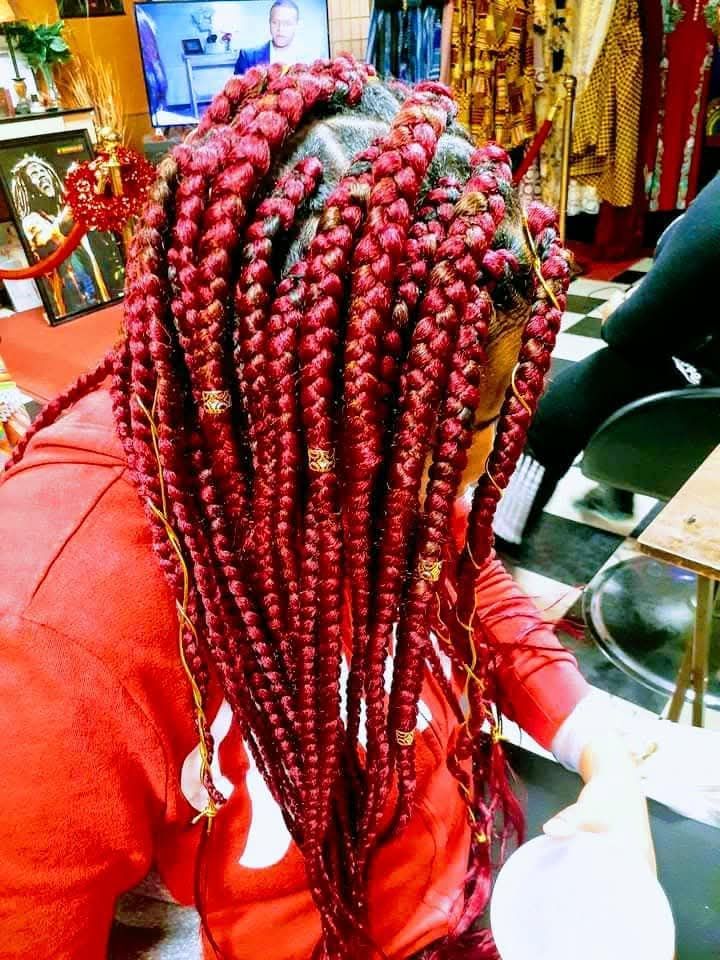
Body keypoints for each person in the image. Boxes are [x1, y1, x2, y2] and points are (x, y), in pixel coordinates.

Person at [0, 58, 653, 960]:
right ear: (318, 402)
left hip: (457, 896)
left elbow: (458, 573)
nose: (485, 458)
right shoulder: (52, 637)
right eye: (480, 417)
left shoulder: (377, 467)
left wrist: (601, 753)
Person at [493, 172, 720, 544]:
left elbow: (630, 330)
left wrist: (620, 309)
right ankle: (616, 490)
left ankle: (499, 535)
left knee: (567, 401)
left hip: (708, 394)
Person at [9, 154, 121, 319]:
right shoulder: (31, 221)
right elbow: (54, 235)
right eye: (33, 174)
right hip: (72, 302)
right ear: (27, 189)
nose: (41, 175)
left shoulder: (67, 209)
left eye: (42, 170)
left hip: (99, 293)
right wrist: (79, 195)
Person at [234, 0, 300, 73]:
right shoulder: (247, 57)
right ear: (269, 22)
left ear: (297, 25)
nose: (280, 29)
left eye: (287, 23)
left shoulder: (308, 61)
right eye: (275, 22)